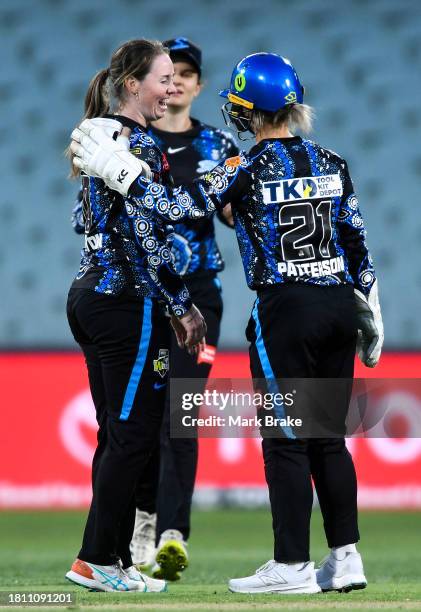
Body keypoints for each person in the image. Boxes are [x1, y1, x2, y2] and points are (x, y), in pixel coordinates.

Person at [71, 51, 384, 595]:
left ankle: (291, 566)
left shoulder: (247, 165)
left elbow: (179, 207)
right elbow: (356, 241)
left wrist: (120, 171)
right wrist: (369, 303)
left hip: (286, 311)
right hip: (339, 304)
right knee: (329, 440)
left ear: (246, 111)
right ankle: (346, 558)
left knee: (286, 440)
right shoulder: (333, 160)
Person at [65, 38, 206, 593]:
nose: (172, 88)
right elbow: (146, 234)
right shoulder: (140, 145)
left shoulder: (103, 135)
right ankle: (95, 561)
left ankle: (115, 561)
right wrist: (181, 304)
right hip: (127, 304)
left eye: (176, 78)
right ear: (132, 85)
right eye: (163, 78)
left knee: (118, 435)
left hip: (91, 296)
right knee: (133, 436)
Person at [130, 37, 239, 582]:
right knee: (144, 418)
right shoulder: (130, 140)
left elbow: (229, 213)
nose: (176, 82)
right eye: (167, 72)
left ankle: (171, 533)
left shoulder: (218, 146)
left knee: (182, 413)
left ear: (197, 85)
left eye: (186, 73)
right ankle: (141, 525)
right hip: (143, 295)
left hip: (199, 295)